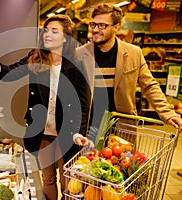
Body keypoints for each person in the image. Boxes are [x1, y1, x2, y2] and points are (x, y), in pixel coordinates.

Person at [0, 14, 93, 200]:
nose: (47, 35)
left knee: (69, 182)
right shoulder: (36, 58)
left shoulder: (77, 66)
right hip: (42, 132)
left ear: (66, 37)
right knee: (48, 179)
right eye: (46, 30)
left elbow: (83, 104)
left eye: (54, 31)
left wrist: (79, 132)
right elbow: (10, 72)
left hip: (68, 132)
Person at [74, 3, 182, 146]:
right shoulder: (80, 54)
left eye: (102, 26)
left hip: (124, 127)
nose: (95, 30)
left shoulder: (133, 53)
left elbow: (149, 85)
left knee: (123, 167)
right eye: (93, 25)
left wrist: (167, 113)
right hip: (90, 127)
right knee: (88, 167)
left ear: (116, 27)